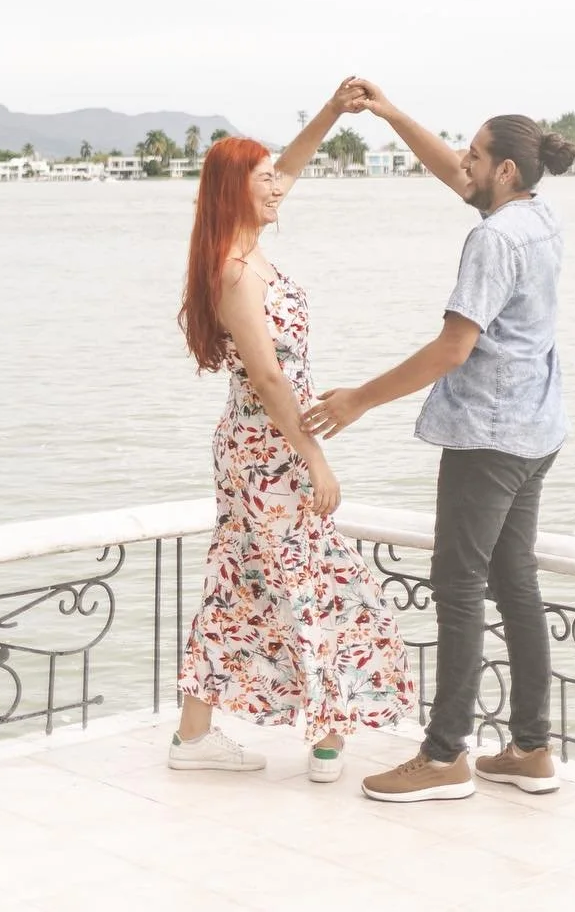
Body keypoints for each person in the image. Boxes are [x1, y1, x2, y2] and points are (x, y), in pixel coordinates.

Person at [304, 84, 575, 802]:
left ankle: (445, 754)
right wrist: (392, 114)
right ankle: (530, 747)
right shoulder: (540, 217)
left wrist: (357, 399)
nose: (464, 161)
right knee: (514, 580)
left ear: (506, 171)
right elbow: (459, 179)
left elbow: (456, 347)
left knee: (458, 587)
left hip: (489, 437)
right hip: (537, 430)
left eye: (477, 153)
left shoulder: (492, 238)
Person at [172, 81, 414, 783]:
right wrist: (316, 460)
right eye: (264, 178)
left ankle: (194, 737)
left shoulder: (244, 246)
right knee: (320, 579)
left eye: (277, 175)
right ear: (234, 192)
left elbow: (289, 168)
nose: (279, 186)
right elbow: (273, 379)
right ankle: (329, 733)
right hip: (268, 445)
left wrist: (335, 112)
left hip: (259, 441)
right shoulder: (236, 271)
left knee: (239, 581)